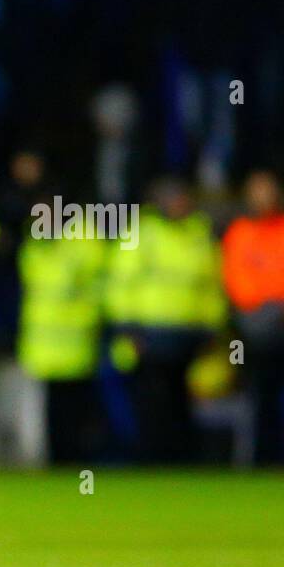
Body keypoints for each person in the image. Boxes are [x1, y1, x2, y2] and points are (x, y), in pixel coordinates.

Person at [105, 179, 226, 462]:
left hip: (188, 332)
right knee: (152, 400)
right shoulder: (142, 232)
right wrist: (127, 328)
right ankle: (152, 460)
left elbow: (210, 285)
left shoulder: (198, 233)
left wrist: (212, 326)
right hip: (149, 332)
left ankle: (181, 460)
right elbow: (121, 282)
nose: (179, 204)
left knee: (183, 400)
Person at [16, 197, 107, 463]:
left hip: (77, 340)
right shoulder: (34, 248)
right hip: (46, 345)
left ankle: (79, 461)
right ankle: (57, 461)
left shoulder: (82, 242)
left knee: (78, 408)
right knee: (53, 409)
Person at [222, 170, 284, 463]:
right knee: (258, 397)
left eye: (269, 191)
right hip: (255, 331)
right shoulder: (240, 233)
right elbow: (237, 282)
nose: (264, 198)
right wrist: (268, 309)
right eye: (258, 191)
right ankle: (259, 459)